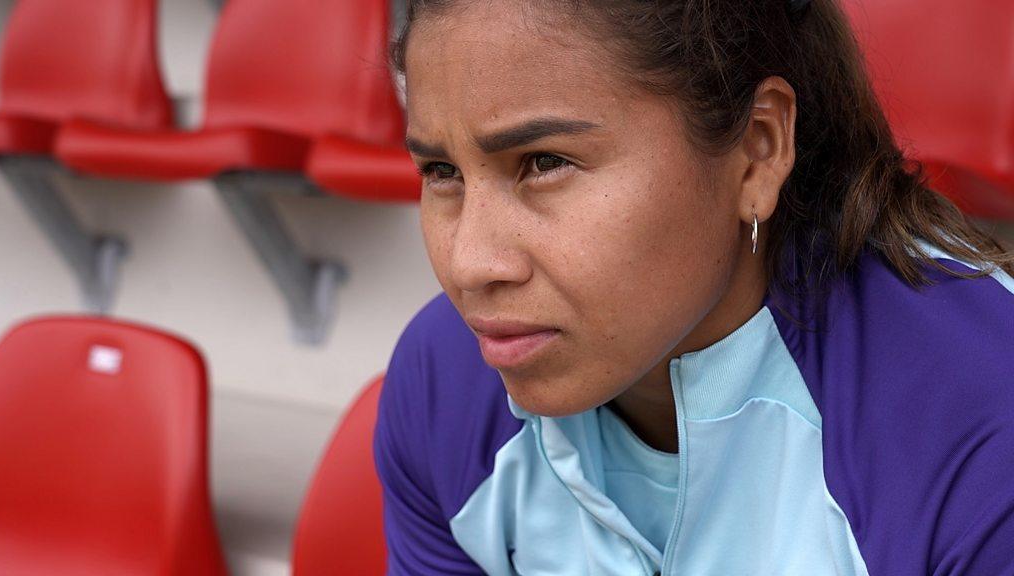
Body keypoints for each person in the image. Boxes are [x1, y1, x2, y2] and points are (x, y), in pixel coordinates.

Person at [374, 0, 1014, 574]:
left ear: (758, 149)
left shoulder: (984, 431)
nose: (470, 264)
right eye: (442, 171)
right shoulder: (442, 382)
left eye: (545, 163)